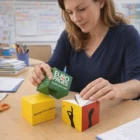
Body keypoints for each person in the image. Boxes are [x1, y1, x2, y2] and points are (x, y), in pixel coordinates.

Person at [30, 0, 140, 102]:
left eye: (82, 9)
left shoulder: (127, 35)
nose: (76, 18)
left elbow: (137, 82)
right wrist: (42, 71)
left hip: (111, 113)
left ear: (101, 2)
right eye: (70, 12)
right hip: (75, 111)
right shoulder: (69, 35)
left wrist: (116, 90)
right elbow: (53, 68)